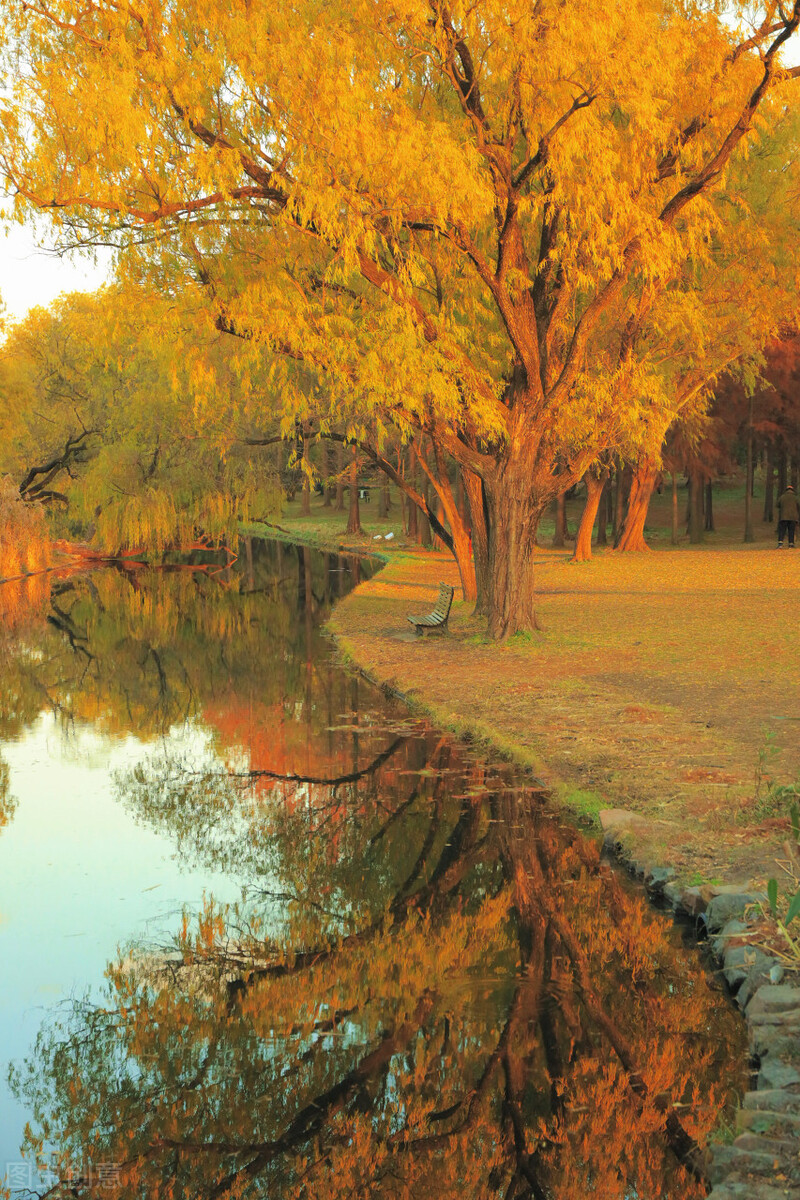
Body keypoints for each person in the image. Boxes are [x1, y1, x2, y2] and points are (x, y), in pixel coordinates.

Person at [777, 483, 799, 547]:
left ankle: (780, 544)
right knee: (791, 530)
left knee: (782, 530)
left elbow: (777, 505)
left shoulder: (782, 497)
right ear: (792, 490)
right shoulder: (795, 498)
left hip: (783, 517)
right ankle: (791, 544)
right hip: (793, 517)